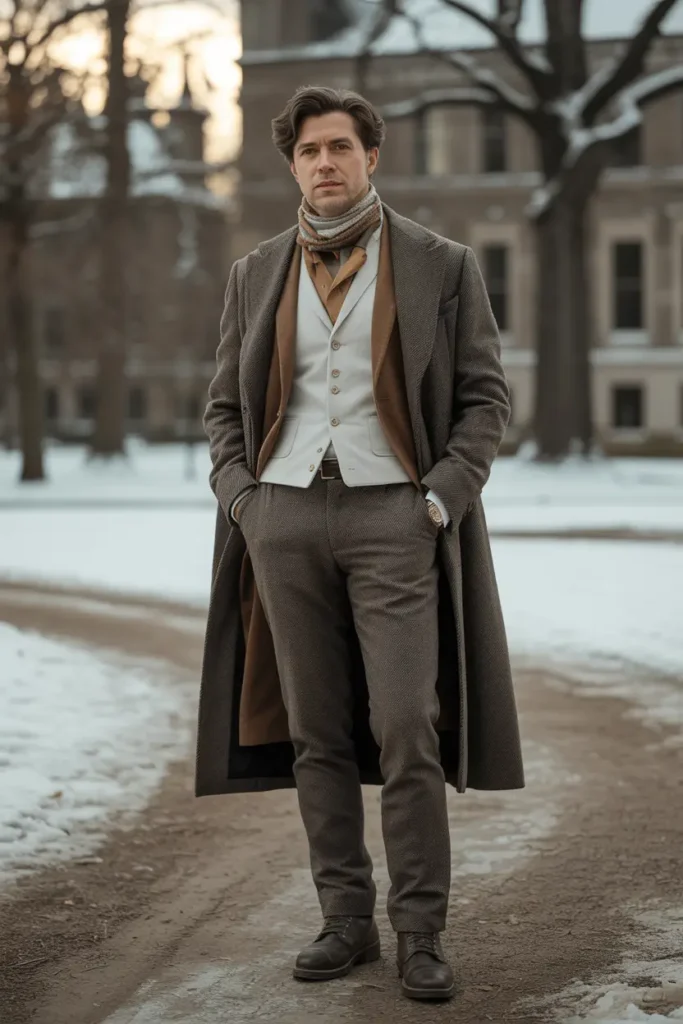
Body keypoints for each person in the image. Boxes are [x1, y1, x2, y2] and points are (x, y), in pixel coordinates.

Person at [197, 85, 524, 1003]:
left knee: (406, 725)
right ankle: (346, 920)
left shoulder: (440, 263)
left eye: (340, 147)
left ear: (371, 156)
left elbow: (484, 401)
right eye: (308, 152)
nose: (325, 164)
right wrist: (243, 500)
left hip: (395, 516)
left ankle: (419, 930)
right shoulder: (255, 270)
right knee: (316, 733)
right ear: (292, 165)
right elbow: (225, 405)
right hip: (285, 516)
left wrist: (436, 501)